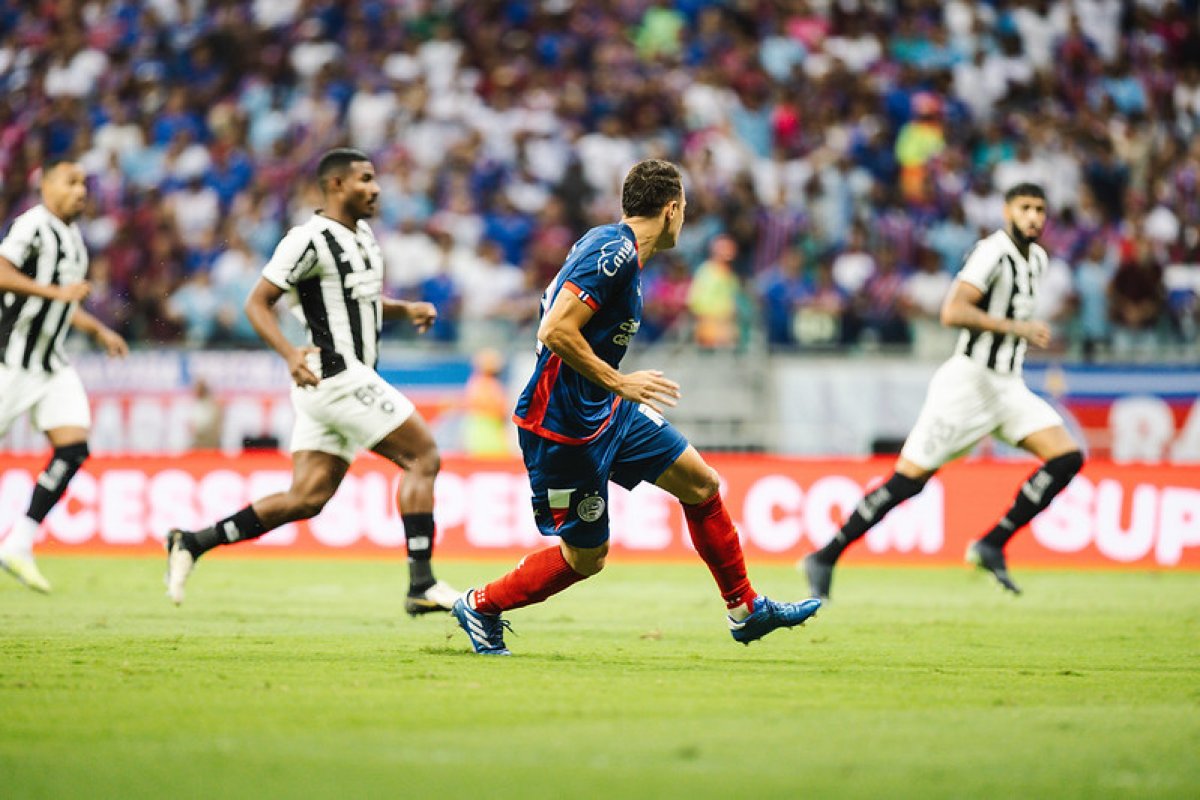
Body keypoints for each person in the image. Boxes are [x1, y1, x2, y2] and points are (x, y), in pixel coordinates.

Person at [451, 159, 821, 656]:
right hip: (562, 426)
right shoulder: (614, 252)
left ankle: (745, 609)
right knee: (586, 558)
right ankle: (480, 605)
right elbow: (555, 329)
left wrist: (612, 389)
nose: (684, 220)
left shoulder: (617, 250)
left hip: (606, 409)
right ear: (671, 210)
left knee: (702, 483)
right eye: (684, 210)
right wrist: (619, 381)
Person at [164, 148, 458, 616]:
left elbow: (358, 300)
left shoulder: (363, 237)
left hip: (334, 384)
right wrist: (287, 354)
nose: (376, 187)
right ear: (336, 185)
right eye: (365, 178)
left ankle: (192, 541)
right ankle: (421, 583)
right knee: (423, 456)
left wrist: (405, 309)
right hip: (335, 374)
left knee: (308, 497)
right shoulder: (308, 239)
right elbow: (257, 303)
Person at [803, 183, 1085, 599]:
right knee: (908, 481)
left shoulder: (1038, 259)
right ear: (1008, 211)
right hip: (968, 384)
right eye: (1025, 208)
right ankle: (825, 555)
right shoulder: (993, 252)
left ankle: (992, 542)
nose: (1034, 217)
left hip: (1008, 385)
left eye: (1040, 210)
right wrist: (1015, 328)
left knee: (1067, 457)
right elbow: (952, 311)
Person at [0, 159, 129, 592]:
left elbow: (63, 305)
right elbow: (1, 272)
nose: (80, 192)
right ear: (47, 186)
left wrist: (99, 329)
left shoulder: (74, 240)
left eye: (83, 184)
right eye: (70, 183)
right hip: (10, 362)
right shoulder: (31, 226)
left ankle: (18, 544)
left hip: (50, 365)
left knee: (73, 449)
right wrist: (56, 291)